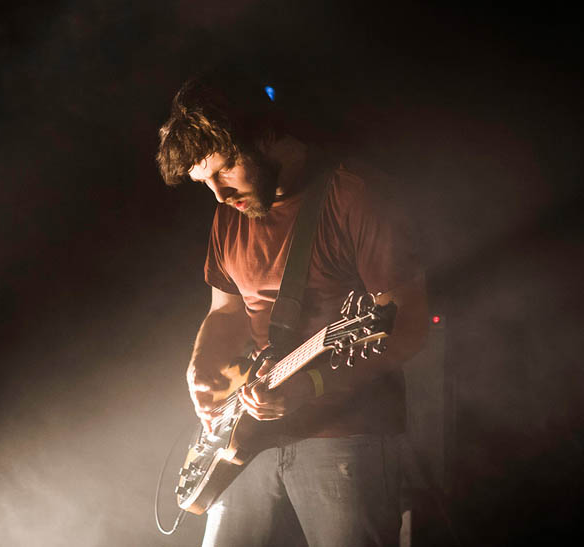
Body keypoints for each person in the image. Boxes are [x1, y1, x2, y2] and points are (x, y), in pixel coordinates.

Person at [156, 68, 429, 546]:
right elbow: (226, 309)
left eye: (224, 170)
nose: (218, 193)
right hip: (246, 437)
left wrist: (315, 383)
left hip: (347, 435)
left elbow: (407, 324)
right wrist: (201, 367)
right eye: (205, 181)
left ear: (265, 135)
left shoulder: (355, 195)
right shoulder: (229, 215)